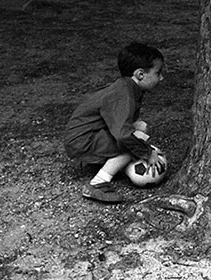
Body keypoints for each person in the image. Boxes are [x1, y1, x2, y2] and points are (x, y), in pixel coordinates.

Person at [64, 42, 166, 203]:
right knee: (131, 143)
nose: (161, 77)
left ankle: (105, 163)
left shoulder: (127, 87)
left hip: (87, 136)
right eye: (158, 72)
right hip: (82, 141)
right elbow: (123, 135)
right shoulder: (123, 94)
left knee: (140, 127)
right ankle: (98, 183)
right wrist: (147, 153)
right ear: (140, 74)